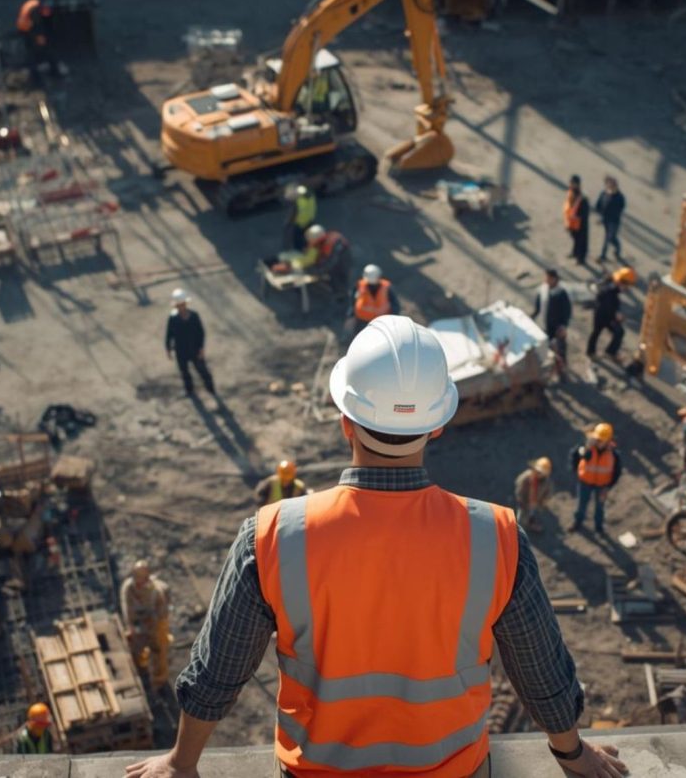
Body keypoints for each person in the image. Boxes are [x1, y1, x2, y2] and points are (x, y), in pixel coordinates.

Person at [126, 315, 627, 778]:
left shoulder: (272, 535)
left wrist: (181, 762)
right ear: (437, 425)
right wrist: (572, 752)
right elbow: (539, 669)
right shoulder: (497, 536)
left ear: (345, 420)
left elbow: (218, 670)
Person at [121, 559, 171, 689]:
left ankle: (160, 680)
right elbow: (127, 609)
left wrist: (152, 629)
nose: (138, 582)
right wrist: (131, 626)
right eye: (136, 577)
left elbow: (161, 614)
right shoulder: (128, 588)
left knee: (158, 651)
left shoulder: (155, 592)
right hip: (139, 622)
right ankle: (142, 667)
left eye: (141, 578)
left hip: (156, 622)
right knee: (135, 644)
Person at [570, 423, 622, 533]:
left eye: (600, 440)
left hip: (602, 486)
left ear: (608, 441)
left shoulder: (614, 454)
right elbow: (575, 456)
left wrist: (608, 487)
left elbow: (617, 472)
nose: (597, 441)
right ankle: (578, 522)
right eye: (596, 438)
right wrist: (578, 472)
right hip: (585, 482)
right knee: (581, 504)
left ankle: (599, 526)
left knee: (600, 507)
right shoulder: (587, 447)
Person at [164, 288, 216, 399]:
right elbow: (169, 334)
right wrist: (168, 348)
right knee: (184, 371)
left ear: (186, 304)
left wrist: (201, 348)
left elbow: (201, 332)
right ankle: (189, 389)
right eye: (179, 305)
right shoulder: (173, 318)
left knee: (202, 369)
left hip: (194, 349)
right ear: (176, 306)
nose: (181, 307)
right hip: (180, 351)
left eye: (183, 304)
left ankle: (210, 387)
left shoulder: (194, 316)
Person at [586, 267, 636, 361]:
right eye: (627, 285)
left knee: (617, 332)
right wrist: (616, 316)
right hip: (603, 315)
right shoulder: (611, 290)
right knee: (599, 332)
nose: (627, 288)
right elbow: (608, 307)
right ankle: (594, 352)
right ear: (622, 282)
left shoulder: (612, 284)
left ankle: (610, 352)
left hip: (603, 312)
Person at [531, 268, 572, 378]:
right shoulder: (543, 290)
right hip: (545, 325)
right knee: (547, 348)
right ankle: (550, 369)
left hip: (558, 327)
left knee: (560, 349)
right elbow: (538, 307)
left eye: (548, 278)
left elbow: (567, 311)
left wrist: (564, 326)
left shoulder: (561, 293)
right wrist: (532, 317)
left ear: (554, 279)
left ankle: (562, 370)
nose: (546, 280)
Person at [16, 0, 67, 83]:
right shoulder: (35, 7)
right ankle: (41, 77)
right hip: (31, 32)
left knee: (35, 54)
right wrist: (40, 36)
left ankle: (48, 72)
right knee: (41, 53)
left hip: (26, 31)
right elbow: (37, 22)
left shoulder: (31, 4)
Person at [347, 264, 400, 337]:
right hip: (362, 321)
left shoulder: (386, 287)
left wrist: (393, 320)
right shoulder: (360, 285)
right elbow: (353, 300)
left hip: (381, 322)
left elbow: (395, 305)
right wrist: (351, 314)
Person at [514, 457, 552, 534]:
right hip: (524, 501)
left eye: (541, 472)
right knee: (521, 516)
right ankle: (517, 531)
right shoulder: (527, 476)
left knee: (531, 512)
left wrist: (543, 501)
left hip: (534, 502)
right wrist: (520, 498)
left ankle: (530, 522)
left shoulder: (545, 482)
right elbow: (518, 485)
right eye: (538, 471)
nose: (538, 473)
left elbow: (547, 492)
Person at [594, 176, 625, 262]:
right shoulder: (604, 194)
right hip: (605, 220)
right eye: (609, 185)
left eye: (612, 185)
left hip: (614, 221)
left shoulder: (620, 197)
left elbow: (620, 209)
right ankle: (616, 249)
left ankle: (604, 255)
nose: (610, 187)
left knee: (609, 237)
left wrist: (609, 215)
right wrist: (599, 215)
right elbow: (599, 204)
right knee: (610, 238)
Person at [563, 175, 590, 265]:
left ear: (577, 184)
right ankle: (574, 252)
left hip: (580, 224)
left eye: (572, 183)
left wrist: (577, 216)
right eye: (570, 183)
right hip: (571, 222)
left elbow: (584, 213)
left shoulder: (582, 198)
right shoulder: (571, 193)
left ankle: (581, 258)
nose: (570, 185)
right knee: (575, 239)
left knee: (581, 241)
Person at [287, 185, 317, 250]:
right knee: (309, 239)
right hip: (310, 221)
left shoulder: (298, 201)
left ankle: (299, 250)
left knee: (298, 240)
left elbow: (294, 213)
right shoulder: (311, 197)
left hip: (300, 224)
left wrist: (289, 222)